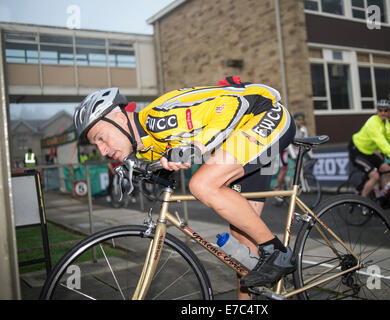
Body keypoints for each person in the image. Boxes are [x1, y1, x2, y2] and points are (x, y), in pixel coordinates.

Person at [73, 82, 297, 299]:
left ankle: (278, 253)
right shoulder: (145, 148)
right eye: (96, 145)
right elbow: (159, 168)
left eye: (101, 138)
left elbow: (232, 104)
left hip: (263, 113)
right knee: (242, 243)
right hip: (241, 139)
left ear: (120, 119)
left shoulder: (158, 119)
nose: (102, 150)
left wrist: (196, 147)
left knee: (202, 184)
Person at [348, 99, 390, 201]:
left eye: (386, 110)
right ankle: (362, 202)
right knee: (375, 176)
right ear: (377, 111)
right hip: (357, 151)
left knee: (386, 169)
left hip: (369, 152)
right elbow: (381, 142)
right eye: (380, 110)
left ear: (389, 111)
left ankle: (383, 198)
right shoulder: (372, 123)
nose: (383, 113)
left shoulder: (386, 124)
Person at [274, 112, 311, 192]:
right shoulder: (291, 127)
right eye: (298, 119)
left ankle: (292, 182)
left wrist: (311, 156)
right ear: (295, 120)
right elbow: (290, 144)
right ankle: (278, 188)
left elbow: (307, 142)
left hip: (295, 148)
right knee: (284, 169)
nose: (300, 121)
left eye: (302, 120)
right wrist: (295, 157)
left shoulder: (303, 129)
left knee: (301, 165)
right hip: (286, 148)